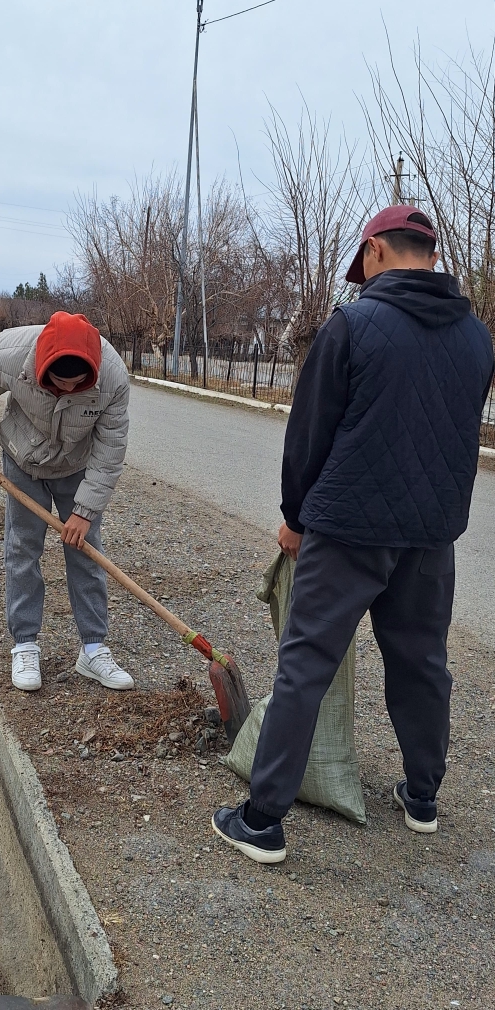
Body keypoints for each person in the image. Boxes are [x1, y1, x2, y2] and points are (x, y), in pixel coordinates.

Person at [212, 205, 495, 864]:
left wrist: (294, 517)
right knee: (422, 666)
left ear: (373, 251)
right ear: (427, 254)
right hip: (429, 536)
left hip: (345, 531)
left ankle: (261, 821)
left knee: (305, 666)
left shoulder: (353, 325)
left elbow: (307, 435)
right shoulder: (478, 338)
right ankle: (421, 798)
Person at [0, 310, 135, 693]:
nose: (67, 393)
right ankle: (24, 645)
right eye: (59, 384)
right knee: (23, 548)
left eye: (77, 387)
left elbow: (110, 452)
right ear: (41, 366)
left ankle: (93, 648)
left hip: (77, 465)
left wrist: (85, 513)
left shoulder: (113, 377)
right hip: (23, 458)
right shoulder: (10, 353)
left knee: (85, 551)